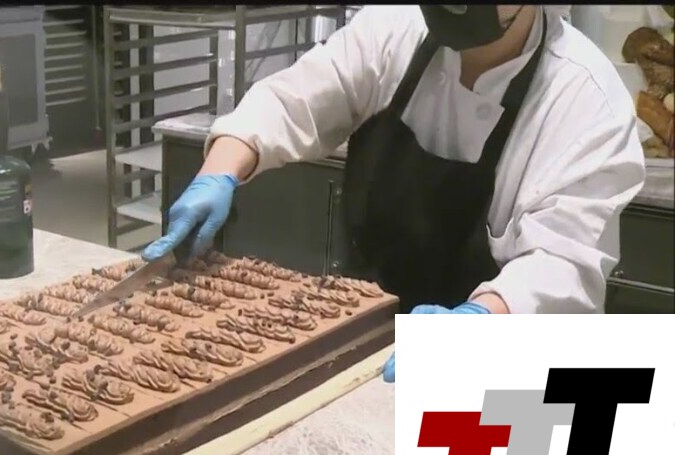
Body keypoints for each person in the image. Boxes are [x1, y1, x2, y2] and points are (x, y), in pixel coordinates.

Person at [141, 5, 646, 383]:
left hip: (491, 377)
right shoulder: (393, 29)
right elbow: (294, 100)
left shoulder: (585, 100)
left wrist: (479, 323)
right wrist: (219, 171)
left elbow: (563, 264)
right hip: (364, 348)